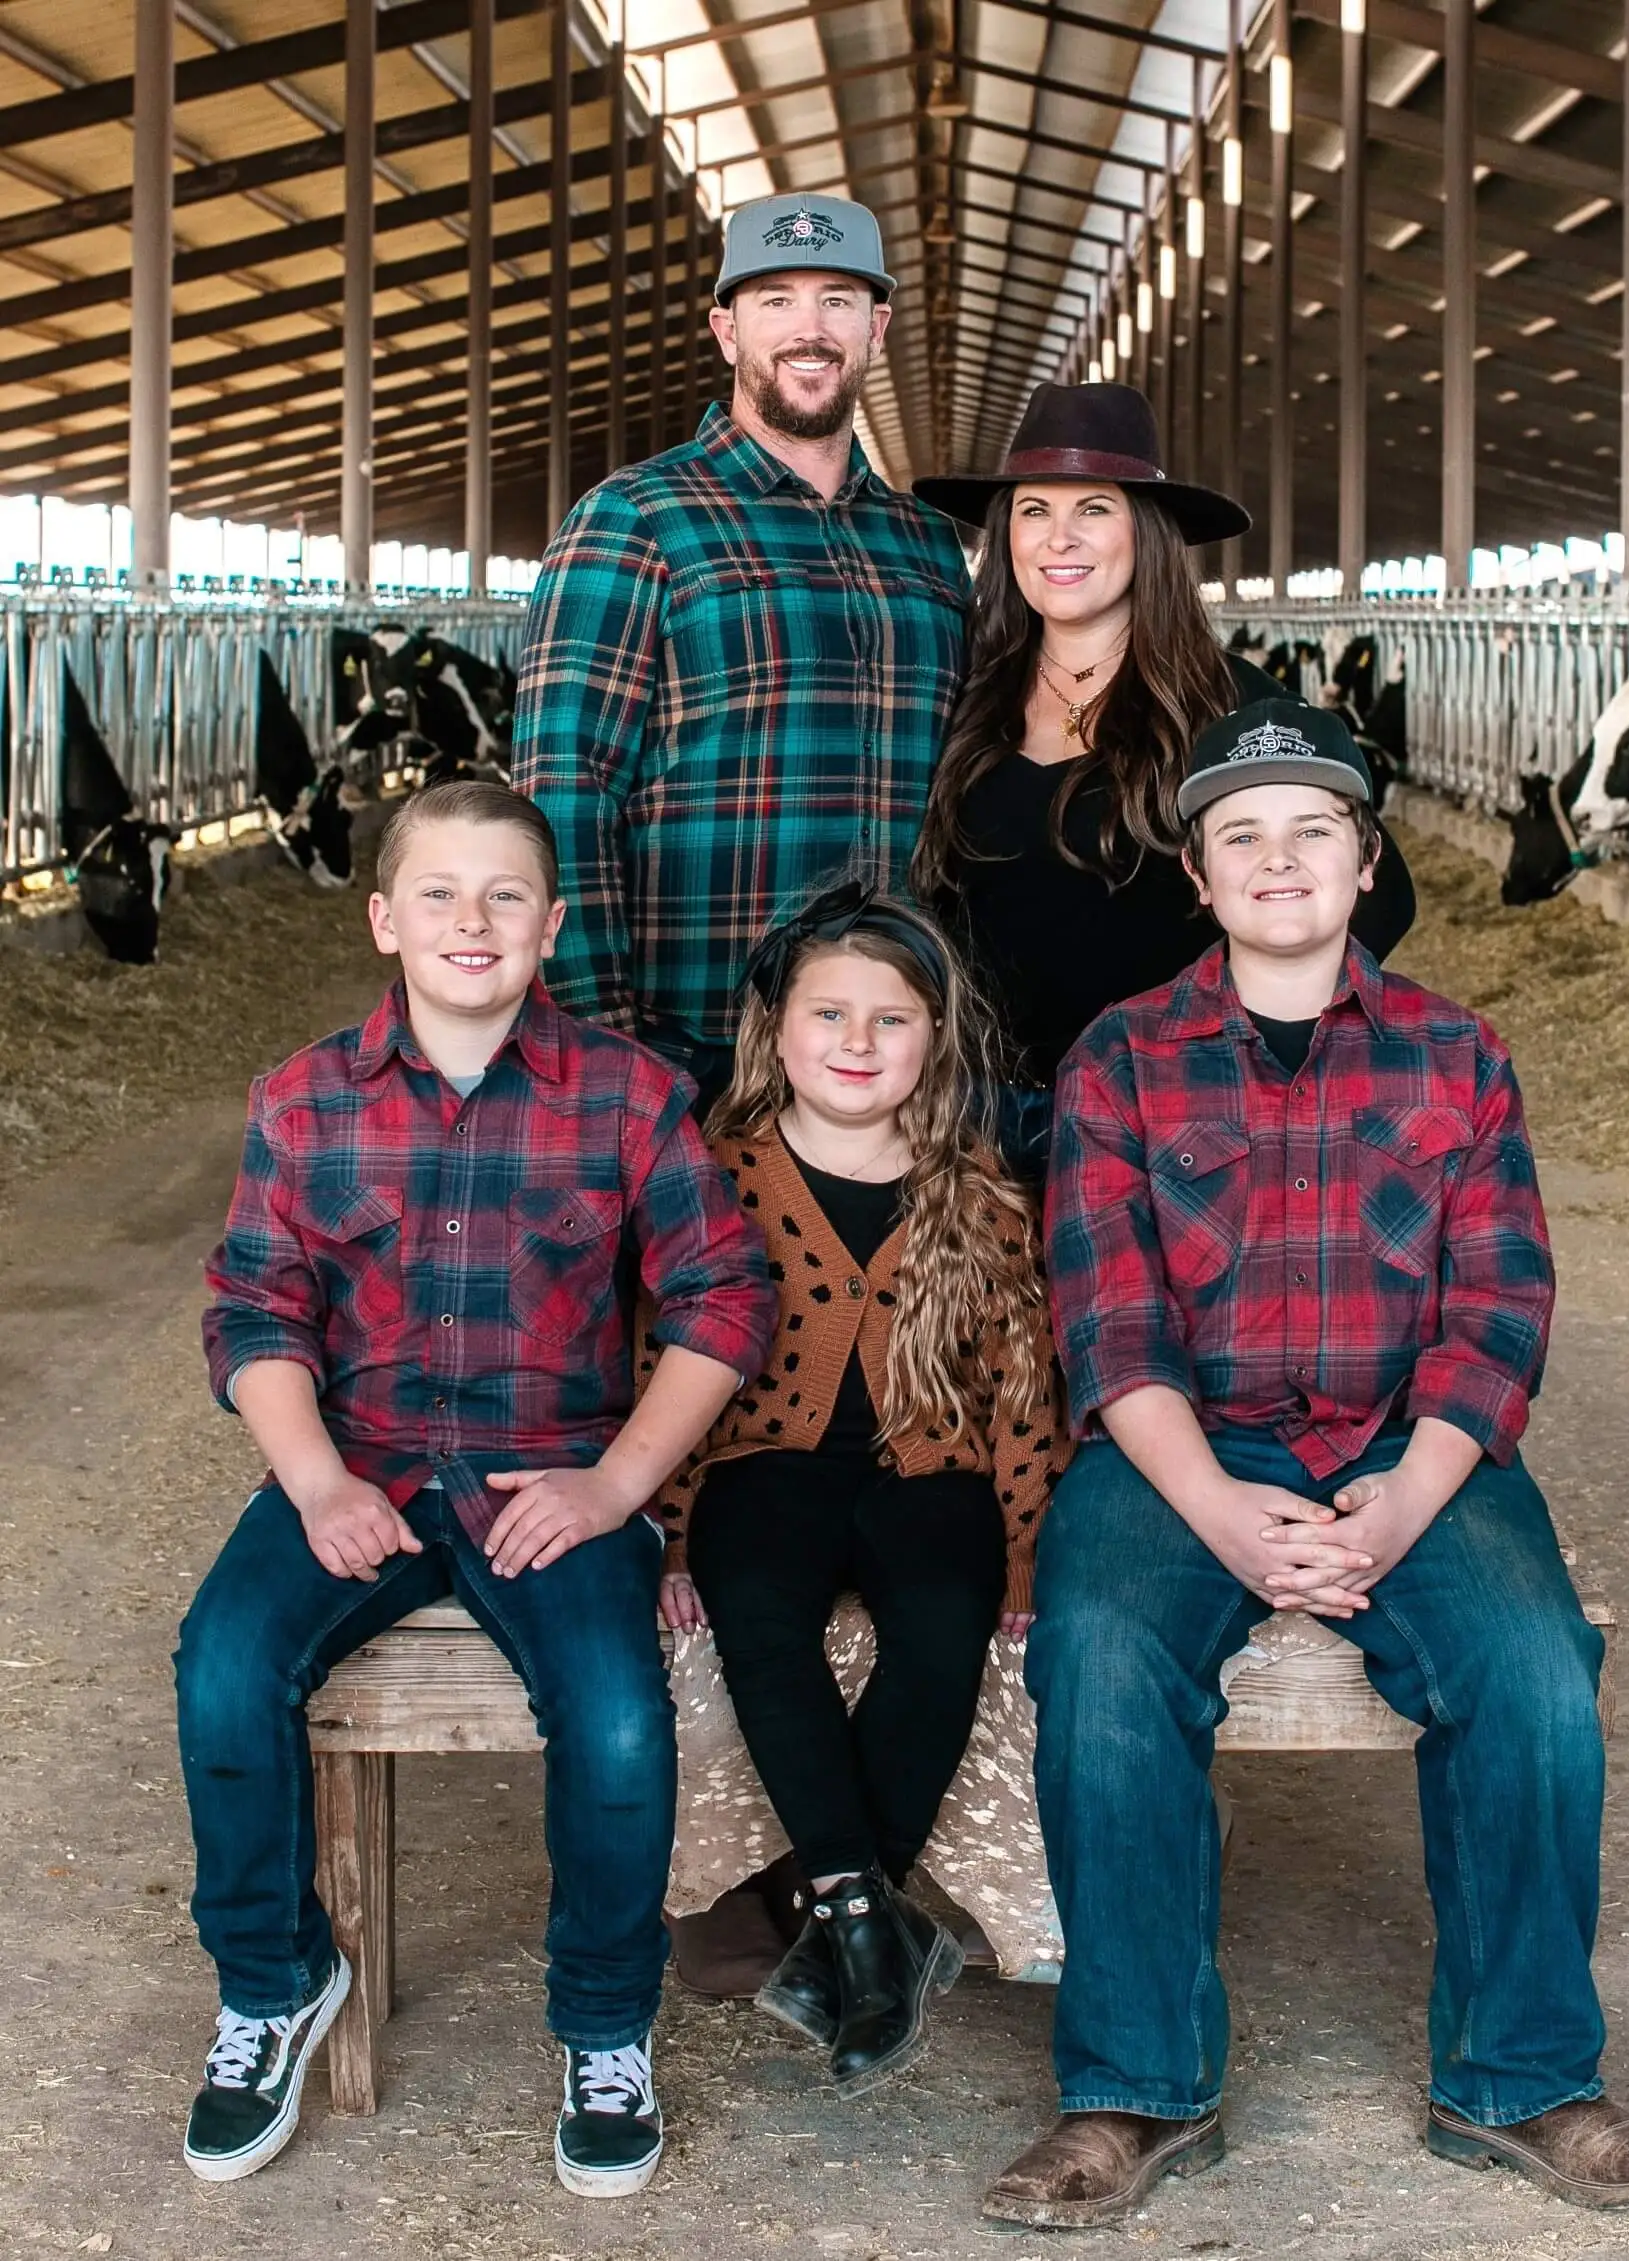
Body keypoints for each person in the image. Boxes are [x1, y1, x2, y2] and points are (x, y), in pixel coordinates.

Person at [982, 704, 1629, 2226]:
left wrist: (1414, 1493)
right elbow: (1108, 1323)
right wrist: (1220, 1516)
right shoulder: (1122, 1058)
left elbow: (1499, 1303)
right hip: (1189, 1444)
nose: (1278, 858)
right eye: (1240, 833)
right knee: (1101, 1651)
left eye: (1312, 828)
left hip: (1412, 1442)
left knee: (1532, 1668)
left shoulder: (1458, 1053)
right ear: (1198, 874)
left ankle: (1523, 2079)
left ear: (1365, 858)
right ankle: (1133, 2086)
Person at [173, 781, 775, 2196]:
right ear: (384, 919)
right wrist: (315, 1482)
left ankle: (605, 2023)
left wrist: (619, 1483)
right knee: (222, 1664)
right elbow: (253, 1311)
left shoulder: (631, 1095)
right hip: (362, 1462)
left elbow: (722, 1297)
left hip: (543, 1474)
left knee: (620, 1716)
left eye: (507, 895)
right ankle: (273, 1981)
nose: (472, 921)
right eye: (438, 892)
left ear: (552, 924)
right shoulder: (303, 1098)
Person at [652, 882, 1066, 2094]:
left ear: (935, 1039)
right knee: (759, 1618)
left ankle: (845, 1907)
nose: (855, 1043)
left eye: (890, 1020)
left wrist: (1028, 1556)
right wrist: (671, 1538)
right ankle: (868, 1916)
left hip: (927, 1462)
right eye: (827, 1013)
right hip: (758, 1465)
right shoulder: (715, 1172)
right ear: (774, 1027)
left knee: (944, 1618)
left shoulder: (974, 1186)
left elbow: (1022, 1390)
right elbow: (658, 1358)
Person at [513, 194, 970, 1116]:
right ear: (728, 331)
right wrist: (604, 1056)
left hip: (899, 1045)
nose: (811, 328)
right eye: (777, 301)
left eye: (839, 300)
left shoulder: (929, 547)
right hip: (703, 1045)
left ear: (876, 328)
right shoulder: (636, 519)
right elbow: (563, 793)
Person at [911, 382, 1415, 1180]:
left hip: (1171, 1125)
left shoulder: (1232, 708)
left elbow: (1376, 896)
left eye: (1095, 509)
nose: (1058, 538)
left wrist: (1236, 1049)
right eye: (1033, 510)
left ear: (1146, 529)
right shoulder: (959, 693)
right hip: (975, 1129)